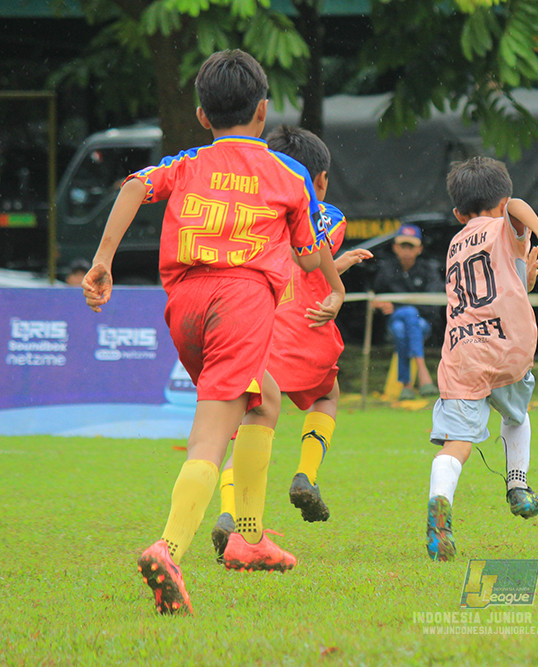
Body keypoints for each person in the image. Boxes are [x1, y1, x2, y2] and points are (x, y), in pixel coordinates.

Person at [81, 49, 345, 615]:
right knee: (211, 434)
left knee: (265, 399)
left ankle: (248, 538)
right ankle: (168, 547)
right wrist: (335, 281)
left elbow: (132, 188)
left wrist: (102, 261)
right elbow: (306, 256)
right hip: (240, 303)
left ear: (202, 115)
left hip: (184, 306)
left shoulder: (189, 161)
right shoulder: (289, 174)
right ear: (264, 110)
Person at [210, 125, 372, 556]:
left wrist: (338, 265)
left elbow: (283, 256)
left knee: (247, 429)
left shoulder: (250, 210)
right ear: (319, 179)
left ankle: (229, 512)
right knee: (328, 397)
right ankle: (306, 475)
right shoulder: (326, 214)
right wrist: (338, 267)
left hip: (255, 335)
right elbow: (310, 256)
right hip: (308, 334)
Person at [424, 156, 538, 562]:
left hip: (462, 351)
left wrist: (525, 282)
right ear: (501, 200)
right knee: (517, 416)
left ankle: (439, 510)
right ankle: (517, 487)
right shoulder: (505, 224)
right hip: (506, 348)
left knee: (457, 444)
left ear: (457, 213)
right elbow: (516, 206)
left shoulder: (455, 244)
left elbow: (488, 287)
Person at [372, 223, 444, 400]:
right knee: (405, 320)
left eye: (410, 246)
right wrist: (379, 304)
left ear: (419, 249)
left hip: (423, 323)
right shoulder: (386, 270)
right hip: (396, 321)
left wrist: (397, 306)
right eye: (402, 246)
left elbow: (433, 304)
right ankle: (423, 372)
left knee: (402, 329)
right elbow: (375, 298)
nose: (406, 251)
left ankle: (407, 385)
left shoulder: (429, 270)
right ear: (395, 247)